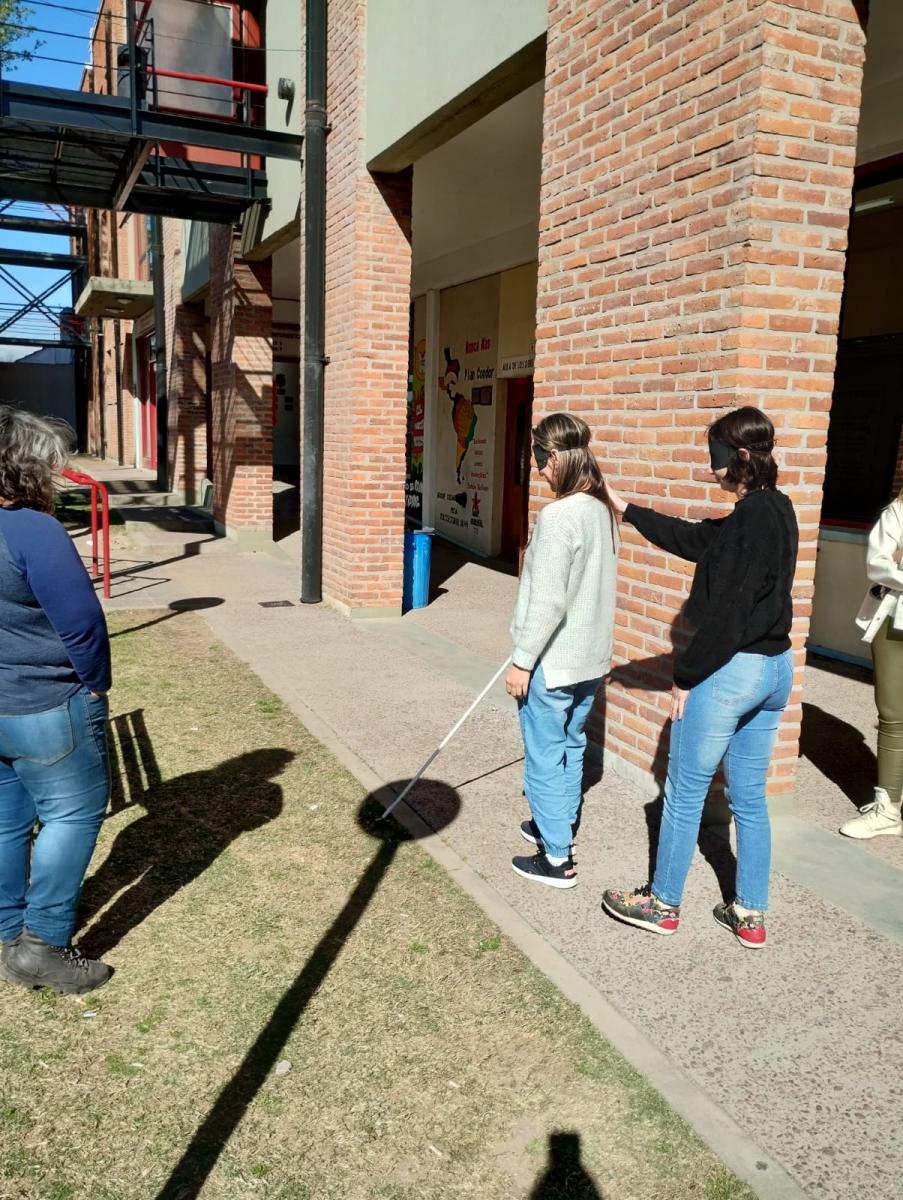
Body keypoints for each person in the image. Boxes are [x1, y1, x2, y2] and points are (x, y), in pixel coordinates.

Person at [602, 406, 797, 948]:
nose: (709, 469)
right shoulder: (774, 510)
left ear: (738, 457)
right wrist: (627, 508)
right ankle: (749, 913)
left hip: (731, 671)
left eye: (715, 458)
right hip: (774, 670)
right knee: (749, 798)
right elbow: (694, 540)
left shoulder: (752, 519)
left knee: (684, 792)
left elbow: (730, 612)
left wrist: (685, 676)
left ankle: (661, 903)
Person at [0, 405, 112, 994]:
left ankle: (9, 927)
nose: (53, 477)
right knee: (72, 813)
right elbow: (83, 625)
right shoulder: (31, 530)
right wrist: (95, 684)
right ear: (23, 468)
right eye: (48, 467)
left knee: (6, 819)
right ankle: (38, 945)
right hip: (44, 705)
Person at [507, 413, 618, 889]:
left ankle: (556, 859)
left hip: (553, 664)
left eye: (537, 459)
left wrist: (522, 660)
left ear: (553, 457)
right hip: (590, 661)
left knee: (545, 754)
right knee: (571, 747)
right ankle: (558, 829)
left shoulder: (559, 516)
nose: (536, 470)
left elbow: (549, 598)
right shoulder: (601, 510)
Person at [841, 489, 903, 838]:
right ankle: (888, 809)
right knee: (893, 714)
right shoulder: (898, 510)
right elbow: (879, 564)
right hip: (895, 620)